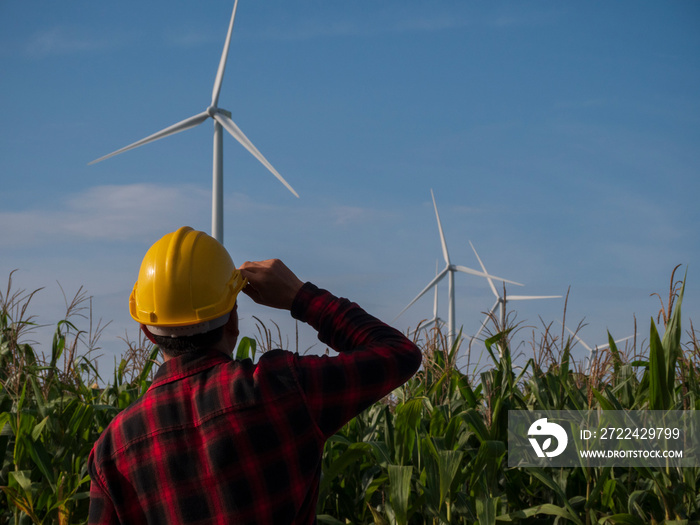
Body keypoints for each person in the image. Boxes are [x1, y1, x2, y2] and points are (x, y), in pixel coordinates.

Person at [87, 226, 422, 524]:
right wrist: (300, 296)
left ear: (147, 332)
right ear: (233, 321)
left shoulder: (112, 451)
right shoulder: (283, 388)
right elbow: (398, 353)